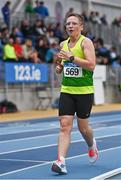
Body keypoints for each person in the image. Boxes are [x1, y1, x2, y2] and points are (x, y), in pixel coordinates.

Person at [51, 13, 99, 175]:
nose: (70, 26)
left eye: (73, 23)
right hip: (67, 90)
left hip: (84, 91)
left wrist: (72, 58)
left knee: (83, 128)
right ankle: (61, 161)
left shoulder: (86, 42)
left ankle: (91, 144)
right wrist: (59, 67)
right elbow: (60, 65)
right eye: (67, 24)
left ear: (81, 26)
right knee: (65, 126)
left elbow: (91, 65)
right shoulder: (63, 44)